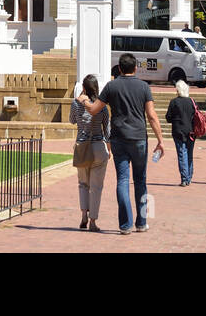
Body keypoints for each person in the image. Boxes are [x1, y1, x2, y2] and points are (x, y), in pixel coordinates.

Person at [77, 53, 165, 234]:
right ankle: (141, 223)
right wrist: (160, 140)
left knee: (123, 180)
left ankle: (125, 225)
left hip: (118, 138)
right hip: (139, 138)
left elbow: (94, 110)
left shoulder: (112, 86)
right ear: (135, 68)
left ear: (119, 69)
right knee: (140, 181)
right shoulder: (143, 87)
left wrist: (84, 99)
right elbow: (151, 115)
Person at [70, 74, 111, 232]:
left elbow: (72, 120)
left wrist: (78, 100)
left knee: (83, 184)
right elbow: (107, 129)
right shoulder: (102, 106)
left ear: (84, 88)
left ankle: (83, 216)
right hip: (98, 146)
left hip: (82, 145)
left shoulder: (77, 104)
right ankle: (93, 221)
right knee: (96, 186)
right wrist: (109, 148)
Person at [165, 80, 198, 186]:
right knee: (189, 154)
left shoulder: (174, 102)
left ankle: (184, 178)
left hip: (178, 130)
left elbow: (168, 118)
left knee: (182, 154)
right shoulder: (192, 101)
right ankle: (189, 177)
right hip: (191, 131)